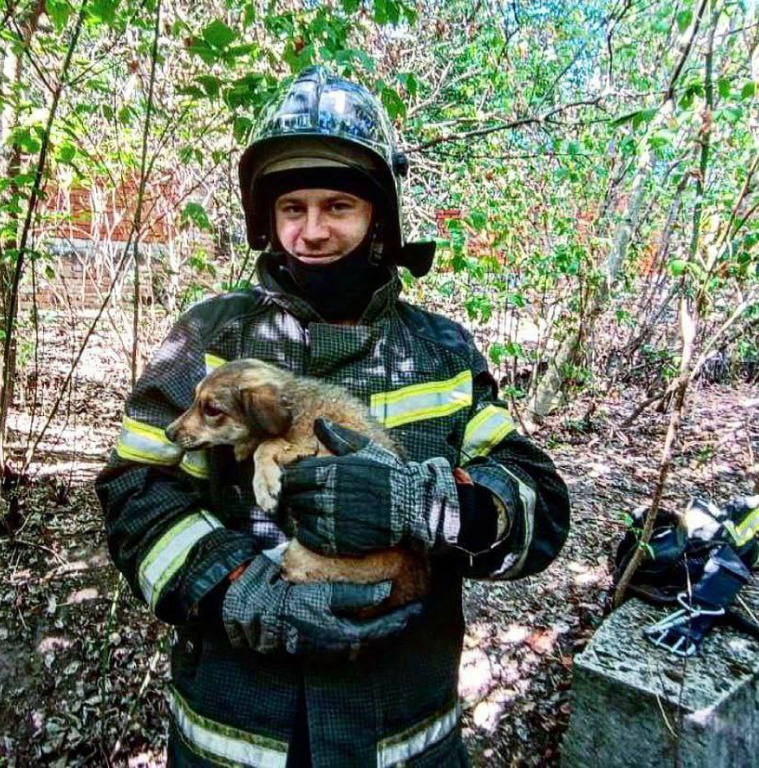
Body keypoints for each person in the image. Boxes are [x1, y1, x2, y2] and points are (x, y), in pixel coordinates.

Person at [96, 65, 570, 767]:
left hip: (401, 735)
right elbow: (135, 492)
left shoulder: (438, 351)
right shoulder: (206, 340)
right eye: (293, 208)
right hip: (237, 733)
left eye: (339, 206)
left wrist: (429, 505)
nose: (312, 231)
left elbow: (538, 503)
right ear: (268, 218)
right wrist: (239, 588)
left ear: (379, 216)